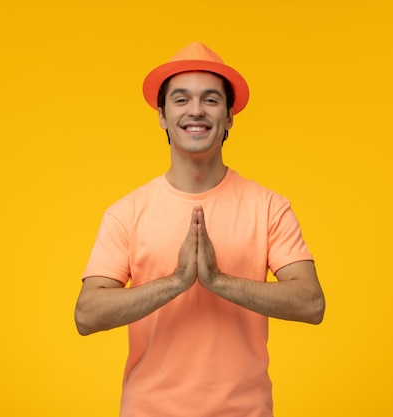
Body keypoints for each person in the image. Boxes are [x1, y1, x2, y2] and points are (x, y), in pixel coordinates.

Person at [75, 42, 325, 417]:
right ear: (162, 116)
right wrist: (177, 281)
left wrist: (218, 281)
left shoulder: (269, 206)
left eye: (210, 100)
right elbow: (87, 314)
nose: (196, 110)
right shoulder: (126, 213)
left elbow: (311, 303)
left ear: (229, 117)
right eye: (181, 100)